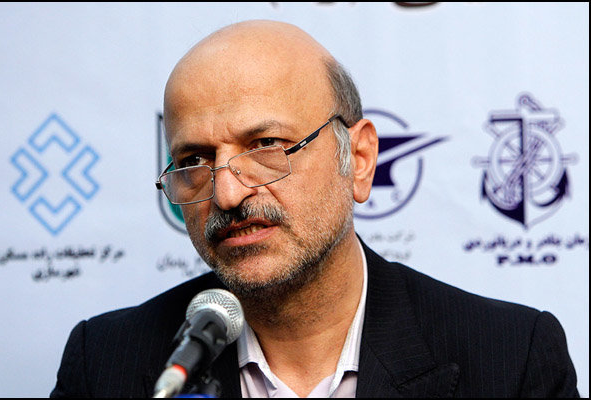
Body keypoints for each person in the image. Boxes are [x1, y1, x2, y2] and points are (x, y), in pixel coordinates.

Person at [50, 19, 579, 398]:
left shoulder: (511, 358)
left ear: (360, 160)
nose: (227, 194)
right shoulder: (105, 364)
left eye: (266, 146)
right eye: (194, 159)